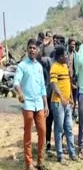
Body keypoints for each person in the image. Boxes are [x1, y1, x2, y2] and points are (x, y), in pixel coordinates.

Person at [14, 39, 49, 170]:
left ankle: (40, 161)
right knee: (28, 133)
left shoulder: (39, 67)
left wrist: (45, 104)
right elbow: (16, 81)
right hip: (27, 104)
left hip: (39, 104)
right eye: (30, 48)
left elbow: (42, 88)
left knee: (43, 132)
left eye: (34, 48)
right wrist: (20, 93)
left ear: (37, 50)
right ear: (27, 49)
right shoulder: (22, 65)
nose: (32, 50)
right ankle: (29, 163)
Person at [50, 45, 77, 164]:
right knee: (59, 129)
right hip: (58, 103)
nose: (67, 57)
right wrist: (62, 98)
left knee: (69, 129)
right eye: (66, 55)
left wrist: (70, 98)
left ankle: (72, 153)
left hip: (67, 103)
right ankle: (60, 156)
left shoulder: (65, 66)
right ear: (60, 56)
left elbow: (68, 83)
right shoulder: (54, 67)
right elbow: (54, 85)